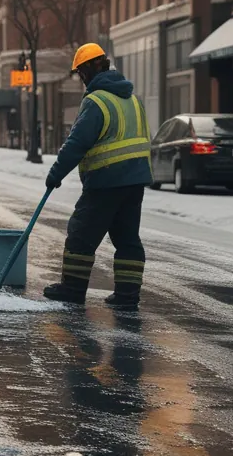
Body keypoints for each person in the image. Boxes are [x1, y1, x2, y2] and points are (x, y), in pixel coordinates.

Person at [43, 43, 152, 308]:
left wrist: (56, 174)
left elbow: (77, 143)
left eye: (80, 72)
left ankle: (72, 289)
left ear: (88, 69)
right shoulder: (133, 99)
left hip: (106, 180)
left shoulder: (97, 101)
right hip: (135, 181)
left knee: (81, 233)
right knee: (127, 238)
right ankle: (127, 296)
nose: (81, 78)